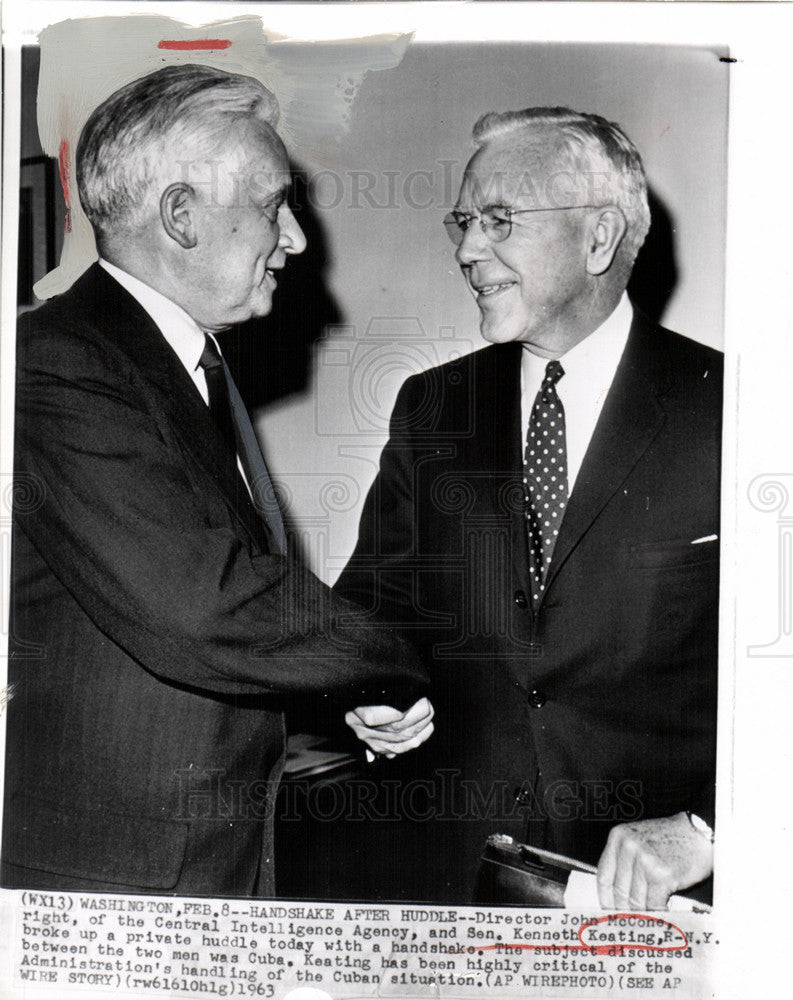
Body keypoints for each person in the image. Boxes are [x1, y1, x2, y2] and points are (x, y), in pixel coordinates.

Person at [2, 63, 434, 897]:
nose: (297, 239)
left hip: (207, 867)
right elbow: (201, 605)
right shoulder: (57, 362)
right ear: (181, 216)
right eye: (274, 205)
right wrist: (387, 662)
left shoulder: (186, 362)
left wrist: (334, 684)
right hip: (112, 886)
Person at [336, 107, 720, 909]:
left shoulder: (734, 408)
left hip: (647, 904)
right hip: (448, 878)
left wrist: (706, 829)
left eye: (499, 220)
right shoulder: (433, 407)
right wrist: (363, 689)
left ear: (598, 238)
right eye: (464, 221)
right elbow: (372, 604)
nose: (467, 250)